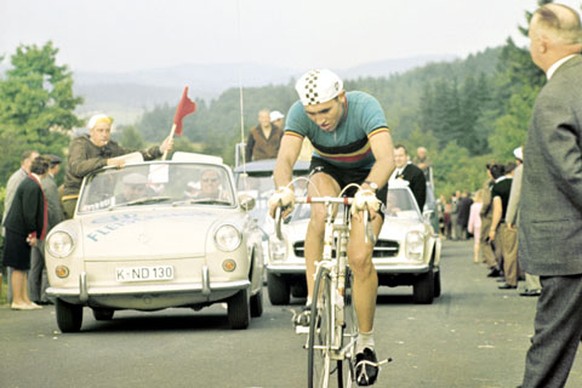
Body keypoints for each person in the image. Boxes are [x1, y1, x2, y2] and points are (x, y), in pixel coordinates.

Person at [268, 69, 394, 386]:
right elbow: (284, 160)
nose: (320, 120)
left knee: (360, 257)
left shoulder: (365, 106)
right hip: (327, 168)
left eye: (326, 110)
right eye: (313, 114)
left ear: (341, 97)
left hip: (368, 174)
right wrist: (284, 189)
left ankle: (366, 344)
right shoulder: (300, 113)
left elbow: (386, 160)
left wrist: (368, 190)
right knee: (320, 213)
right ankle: (314, 300)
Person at [520, 4, 582, 386]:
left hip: (568, 251)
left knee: (548, 357)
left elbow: (570, 174)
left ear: (542, 42)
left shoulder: (555, 95)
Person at [62, 114, 173, 219]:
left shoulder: (112, 147)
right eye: (100, 131)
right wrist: (106, 162)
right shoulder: (80, 144)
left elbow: (133, 156)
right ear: (91, 132)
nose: (104, 134)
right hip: (76, 197)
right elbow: (77, 167)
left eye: (107, 131)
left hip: (102, 199)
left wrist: (159, 150)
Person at [2, 156, 49, 310]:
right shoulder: (32, 185)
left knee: (24, 266)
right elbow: (29, 212)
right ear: (45, 170)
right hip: (18, 229)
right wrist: (33, 233)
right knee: (18, 266)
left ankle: (25, 299)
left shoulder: (30, 182)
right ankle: (17, 300)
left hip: (20, 229)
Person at [28, 155, 65, 305]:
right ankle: (46, 295)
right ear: (54, 167)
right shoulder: (49, 183)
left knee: (35, 264)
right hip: (48, 227)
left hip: (39, 228)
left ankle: (33, 295)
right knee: (48, 263)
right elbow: (54, 208)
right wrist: (59, 226)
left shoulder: (41, 182)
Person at [506, 147, 541, 297]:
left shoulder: (522, 170)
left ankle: (534, 285)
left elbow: (516, 195)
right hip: (548, 214)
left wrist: (509, 218)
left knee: (529, 250)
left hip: (528, 215)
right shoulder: (546, 166)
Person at [391, 144, 426, 210]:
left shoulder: (416, 173)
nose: (397, 159)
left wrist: (402, 209)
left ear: (407, 157)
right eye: (395, 156)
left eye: (401, 156)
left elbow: (419, 199)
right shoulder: (391, 173)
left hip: (410, 216)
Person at [467, 189, 484, 263]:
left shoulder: (474, 206)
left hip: (477, 225)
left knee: (477, 242)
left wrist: (470, 227)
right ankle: (484, 257)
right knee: (485, 242)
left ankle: (476, 257)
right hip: (485, 225)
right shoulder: (484, 205)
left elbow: (472, 217)